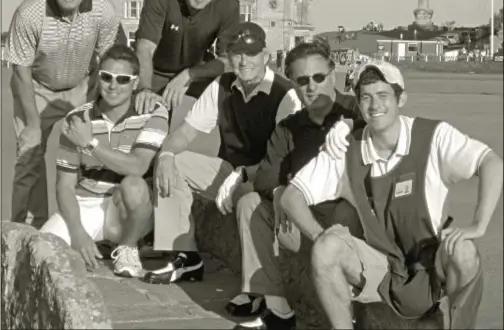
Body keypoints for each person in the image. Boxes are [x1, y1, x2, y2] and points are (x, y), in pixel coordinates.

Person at [281, 60, 503, 329]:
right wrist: (319, 235)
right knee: (326, 247)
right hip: (381, 267)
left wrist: (479, 225)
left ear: (402, 98)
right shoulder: (345, 147)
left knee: (464, 251)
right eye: (366, 97)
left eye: (384, 95)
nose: (375, 106)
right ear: (359, 104)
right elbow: (292, 197)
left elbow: (490, 162)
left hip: (432, 262)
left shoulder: (433, 137)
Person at [142, 22, 302, 285]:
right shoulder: (222, 85)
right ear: (228, 57)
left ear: (266, 56)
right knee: (173, 162)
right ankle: (185, 255)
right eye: (237, 53)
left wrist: (245, 174)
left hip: (268, 181)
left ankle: (258, 289)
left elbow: (286, 160)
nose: (243, 61)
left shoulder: (285, 95)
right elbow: (184, 134)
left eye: (251, 53)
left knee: (249, 203)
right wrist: (167, 155)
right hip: (231, 174)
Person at [230, 41, 365, 330]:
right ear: (293, 84)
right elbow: (267, 175)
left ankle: (350, 299)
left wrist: (352, 126)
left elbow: (388, 129)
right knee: (249, 204)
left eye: (319, 77)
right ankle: (275, 305)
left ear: (333, 73)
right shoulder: (288, 128)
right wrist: (279, 192)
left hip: (353, 226)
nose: (312, 86)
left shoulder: (356, 110)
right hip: (303, 224)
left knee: (344, 210)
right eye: (302, 81)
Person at [5, 0, 123, 229]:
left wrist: (103, 102)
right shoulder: (29, 13)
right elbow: (20, 71)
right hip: (36, 85)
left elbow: (108, 58)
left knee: (94, 149)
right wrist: (33, 124)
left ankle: (94, 224)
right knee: (29, 153)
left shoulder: (103, 10)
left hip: (83, 84)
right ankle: (28, 232)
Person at [40, 45, 169, 277]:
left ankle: (128, 247)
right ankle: (97, 241)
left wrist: (90, 143)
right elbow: (65, 185)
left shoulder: (154, 113)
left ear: (135, 83)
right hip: (86, 203)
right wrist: (78, 233)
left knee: (134, 185)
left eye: (122, 79)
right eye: (107, 77)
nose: (113, 85)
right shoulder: (76, 119)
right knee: (42, 252)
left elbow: (138, 166)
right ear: (98, 78)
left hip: (128, 209)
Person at [134, 0, 240, 130]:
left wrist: (190, 75)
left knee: (232, 98)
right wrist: (145, 88)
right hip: (155, 70)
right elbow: (145, 47)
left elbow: (229, 60)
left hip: (197, 70)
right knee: (143, 117)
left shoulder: (228, 4)